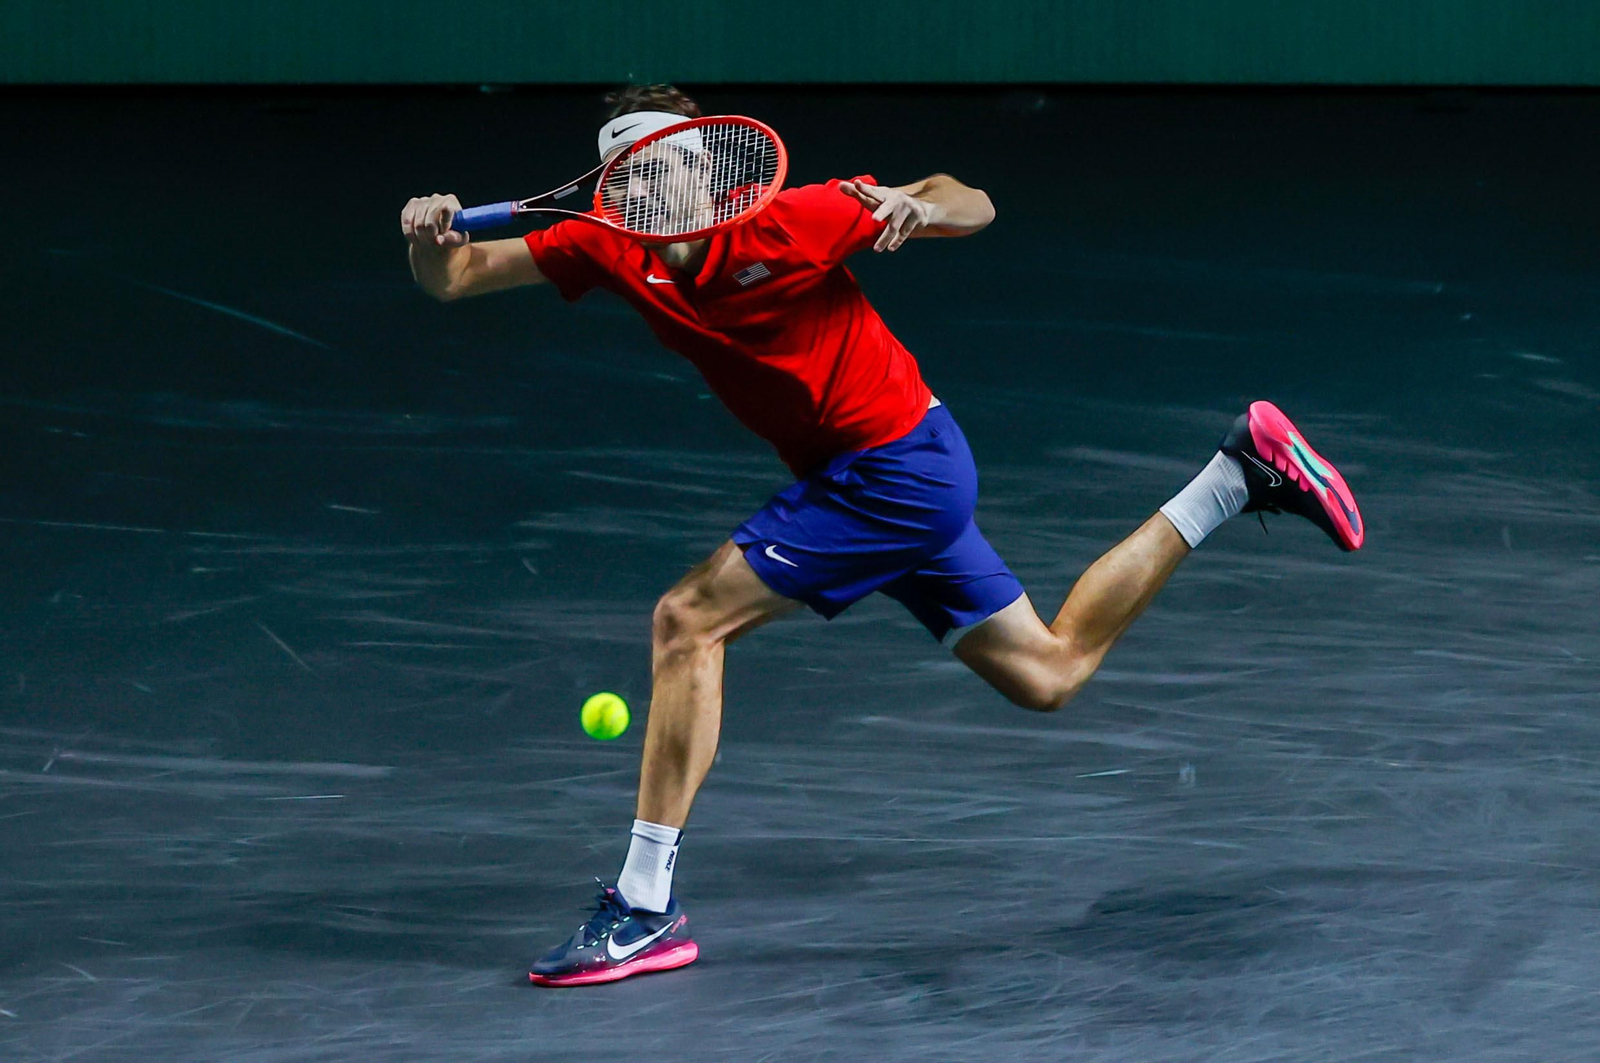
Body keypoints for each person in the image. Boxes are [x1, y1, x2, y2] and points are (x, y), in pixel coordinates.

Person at [399, 84, 1365, 987]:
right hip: (873, 481)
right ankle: (1237, 474)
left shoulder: (798, 216)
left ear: (711, 169)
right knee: (1049, 671)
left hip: (900, 471)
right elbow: (457, 276)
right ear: (621, 190)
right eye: (636, 175)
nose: (660, 186)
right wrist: (429, 234)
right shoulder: (612, 246)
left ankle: (644, 903)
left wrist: (919, 209)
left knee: (688, 620)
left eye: (676, 165)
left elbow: (969, 198)